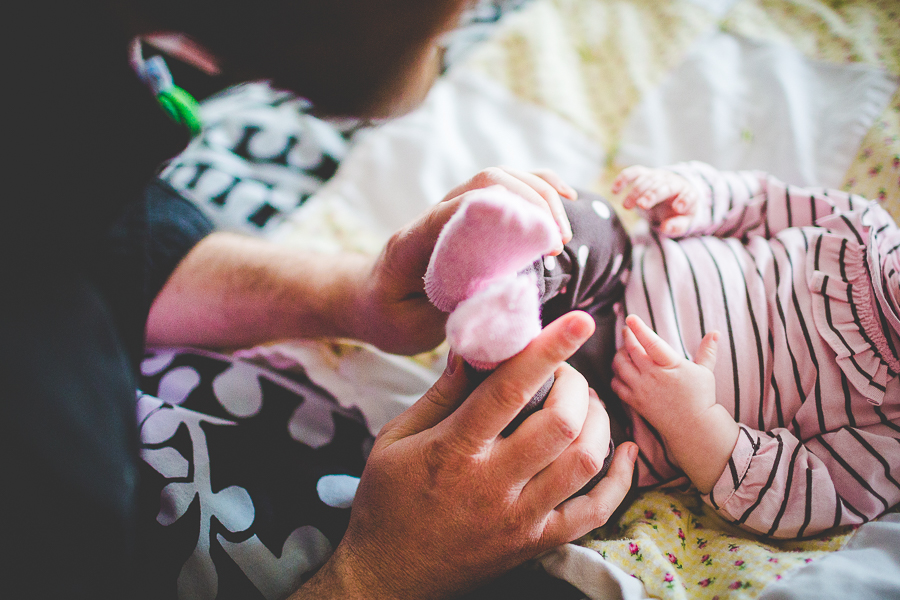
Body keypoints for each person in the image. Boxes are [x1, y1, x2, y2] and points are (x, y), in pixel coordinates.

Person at [5, 1, 637, 598]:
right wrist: (381, 573)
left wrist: (353, 296)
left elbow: (102, 246)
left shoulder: (59, 79)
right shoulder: (44, 457)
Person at [430, 160, 900, 540]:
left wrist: (693, 422)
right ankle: (490, 278)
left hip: (623, 418)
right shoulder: (866, 228)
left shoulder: (891, 432)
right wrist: (691, 197)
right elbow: (757, 201)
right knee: (583, 217)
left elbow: (800, 494)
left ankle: (501, 344)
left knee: (571, 460)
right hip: (618, 273)